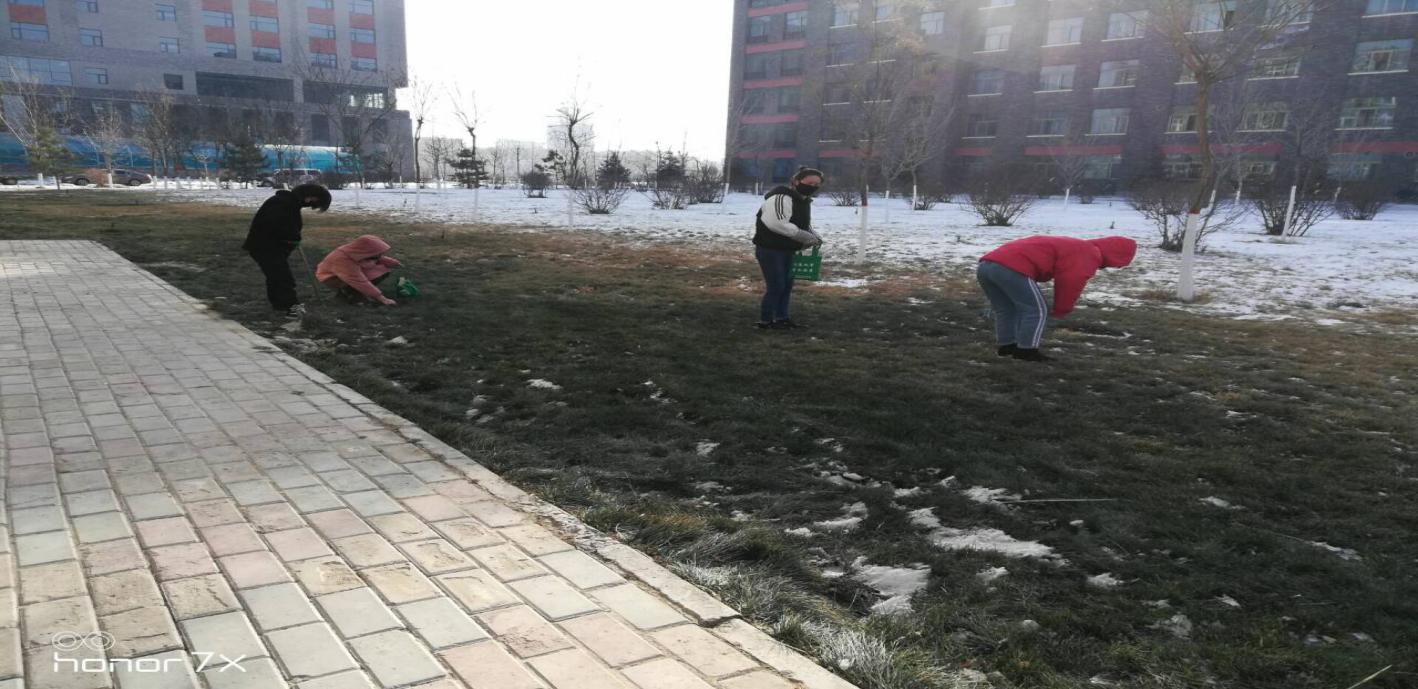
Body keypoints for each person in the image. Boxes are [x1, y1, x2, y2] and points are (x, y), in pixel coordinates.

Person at [977, 235, 1137, 362]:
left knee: (1006, 309)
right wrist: (1062, 308)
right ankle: (1026, 351)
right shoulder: (1088, 253)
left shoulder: (1074, 245)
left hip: (985, 265)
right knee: (1037, 311)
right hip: (1012, 268)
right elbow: (1071, 280)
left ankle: (1007, 346)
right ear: (1116, 255)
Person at [242, 183, 332, 319]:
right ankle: (291, 307)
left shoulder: (289, 203)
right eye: (314, 202)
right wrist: (292, 236)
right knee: (283, 277)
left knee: (275, 275)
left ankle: (279, 304)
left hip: (270, 246)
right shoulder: (283, 203)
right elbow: (277, 225)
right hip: (265, 246)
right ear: (310, 196)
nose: (312, 205)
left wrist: (292, 237)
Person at [753, 167, 824, 329]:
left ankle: (781, 318)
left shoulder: (804, 201)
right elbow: (777, 223)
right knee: (776, 285)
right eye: (809, 182)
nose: (813, 186)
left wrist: (815, 237)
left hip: (789, 249)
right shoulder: (780, 197)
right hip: (770, 249)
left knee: (786, 285)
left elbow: (804, 225)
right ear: (796, 181)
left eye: (817, 184)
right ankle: (766, 320)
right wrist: (803, 236)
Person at [315, 235, 402, 306]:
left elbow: (377, 258)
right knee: (361, 282)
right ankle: (350, 292)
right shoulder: (343, 260)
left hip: (347, 274)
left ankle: (353, 292)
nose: (380, 254)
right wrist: (383, 299)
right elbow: (359, 280)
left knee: (382, 270)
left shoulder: (358, 251)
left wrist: (394, 263)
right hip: (331, 278)